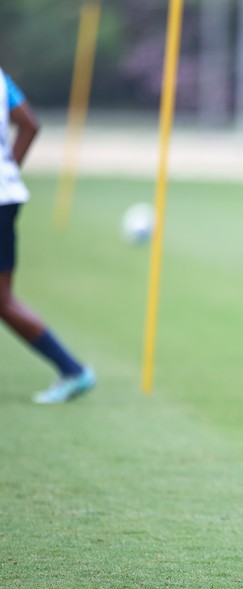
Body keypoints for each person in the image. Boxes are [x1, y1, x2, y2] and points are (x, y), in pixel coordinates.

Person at [0, 66, 95, 403]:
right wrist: (8, 171)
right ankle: (72, 369)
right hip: (6, 196)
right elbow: (30, 124)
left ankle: (73, 370)